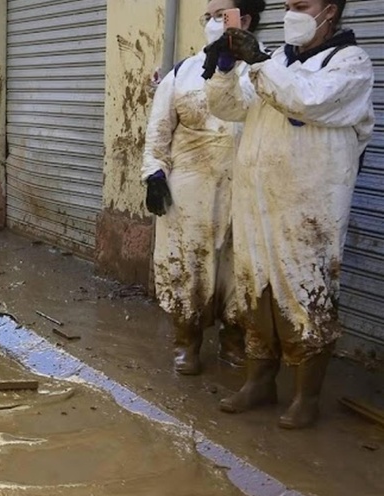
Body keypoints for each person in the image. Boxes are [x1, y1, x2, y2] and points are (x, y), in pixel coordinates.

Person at [205, 0, 374, 428]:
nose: (291, 12)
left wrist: (257, 60)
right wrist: (224, 69)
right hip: (258, 199)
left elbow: (306, 100)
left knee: (305, 292)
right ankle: (259, 382)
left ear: (330, 11)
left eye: (302, 5)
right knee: (254, 286)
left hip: (309, 205)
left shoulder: (350, 63)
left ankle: (306, 396)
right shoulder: (278, 58)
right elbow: (230, 108)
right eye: (288, 4)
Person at [141, 0, 263, 375]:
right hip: (189, 189)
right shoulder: (184, 72)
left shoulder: (267, 70)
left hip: (246, 187)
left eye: (221, 15)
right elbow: (159, 129)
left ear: (246, 20)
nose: (213, 22)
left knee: (239, 267)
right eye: (207, 16)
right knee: (187, 264)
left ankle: (233, 340)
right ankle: (186, 342)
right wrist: (154, 174)